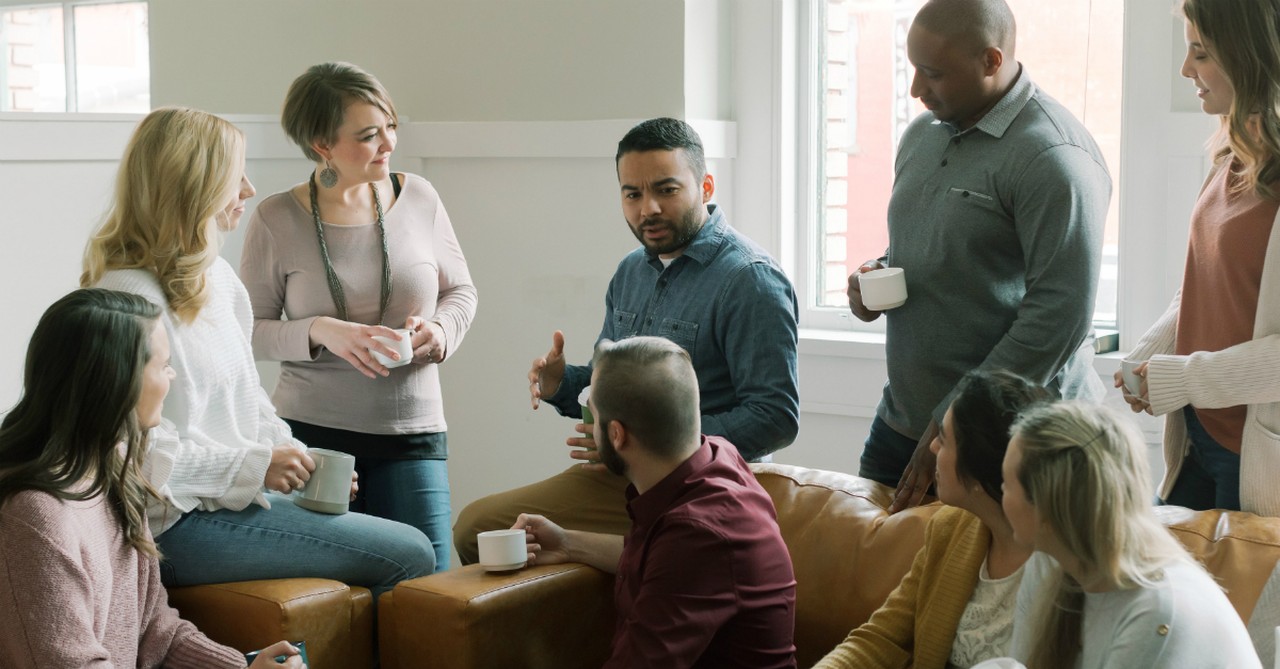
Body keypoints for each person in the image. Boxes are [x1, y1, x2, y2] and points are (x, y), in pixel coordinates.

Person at [81, 107, 434, 599]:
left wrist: (298, 456)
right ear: (193, 186)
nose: (248, 189)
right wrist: (255, 466)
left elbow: (251, 404)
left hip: (232, 504)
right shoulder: (126, 299)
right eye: (234, 177)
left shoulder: (218, 279)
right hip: (171, 527)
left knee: (409, 548)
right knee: (410, 552)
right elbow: (129, 461)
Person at [453, 117, 799, 563]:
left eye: (666, 190)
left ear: (706, 187)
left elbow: (774, 417)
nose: (647, 208)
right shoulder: (632, 271)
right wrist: (563, 384)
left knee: (486, 529)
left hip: (706, 488)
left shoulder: (750, 279)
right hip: (624, 479)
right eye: (632, 194)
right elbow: (613, 385)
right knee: (478, 528)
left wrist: (648, 442)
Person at [846, 0, 1110, 513]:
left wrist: (954, 423)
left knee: (990, 593)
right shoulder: (922, 134)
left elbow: (1060, 315)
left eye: (933, 74)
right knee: (880, 582)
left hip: (1009, 441)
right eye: (913, 69)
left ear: (991, 61)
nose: (917, 91)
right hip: (904, 423)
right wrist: (875, 278)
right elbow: (935, 245)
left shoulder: (1054, 158)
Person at [240, 62, 477, 571]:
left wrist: (438, 332)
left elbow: (460, 292)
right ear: (323, 144)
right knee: (335, 598)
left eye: (390, 126)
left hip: (412, 432)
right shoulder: (276, 219)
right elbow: (250, 331)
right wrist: (321, 330)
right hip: (310, 438)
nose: (388, 142)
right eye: (369, 135)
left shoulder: (420, 197)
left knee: (426, 593)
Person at [0, 288, 304, 668]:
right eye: (163, 366)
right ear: (116, 381)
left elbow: (155, 629)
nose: (172, 376)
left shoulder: (114, 466)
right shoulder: (35, 517)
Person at [515, 336, 796, 668]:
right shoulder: (717, 457)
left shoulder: (697, 534)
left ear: (616, 434)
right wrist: (567, 543)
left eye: (594, 414)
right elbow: (659, 560)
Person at [1117, 0, 1280, 515]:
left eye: (1201, 53)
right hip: (1196, 434)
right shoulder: (1228, 152)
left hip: (1255, 456)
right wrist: (1148, 352)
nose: (1186, 70)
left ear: (1249, 56)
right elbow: (1203, 285)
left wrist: (1178, 376)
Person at [814, 370, 1048, 669]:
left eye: (943, 439)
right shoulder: (949, 527)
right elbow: (883, 637)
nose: (933, 448)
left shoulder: (1064, 561)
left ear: (977, 466)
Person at [1003, 401, 1261, 668]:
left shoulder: (1156, 611)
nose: (1001, 493)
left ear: (1046, 506)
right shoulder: (1058, 564)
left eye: (1006, 484)